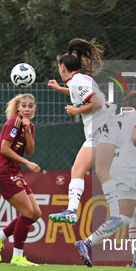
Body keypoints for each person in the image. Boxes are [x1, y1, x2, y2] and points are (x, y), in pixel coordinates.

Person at [46, 38, 123, 255]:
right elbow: (82, 96)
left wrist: (76, 111)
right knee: (97, 171)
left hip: (102, 129)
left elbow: (95, 103)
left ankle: (72, 211)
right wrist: (59, 88)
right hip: (106, 128)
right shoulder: (77, 81)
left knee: (80, 170)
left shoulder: (79, 82)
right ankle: (114, 215)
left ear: (63, 68)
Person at [73, 92, 136, 268]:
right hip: (126, 167)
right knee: (124, 217)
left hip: (112, 165)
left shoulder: (115, 117)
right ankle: (87, 242)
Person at [0, 94, 42, 266]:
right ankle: (17, 256)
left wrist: (27, 130)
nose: (26, 109)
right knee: (27, 213)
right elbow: (4, 148)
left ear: (34, 109)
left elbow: (30, 150)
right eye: (23, 105)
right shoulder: (14, 121)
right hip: (2, 172)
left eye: (30, 106)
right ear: (18, 108)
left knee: (36, 214)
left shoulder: (28, 126)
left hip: (14, 172)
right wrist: (27, 163)